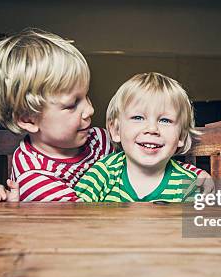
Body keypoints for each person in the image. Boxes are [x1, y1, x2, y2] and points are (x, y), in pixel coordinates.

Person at [0, 29, 210, 202]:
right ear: (29, 119)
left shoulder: (99, 139)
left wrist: (197, 176)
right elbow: (80, 221)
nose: (90, 110)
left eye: (86, 96)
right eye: (72, 104)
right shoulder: (32, 174)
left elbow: (149, 160)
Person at [74, 72, 200, 202]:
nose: (152, 129)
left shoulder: (189, 185)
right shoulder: (102, 174)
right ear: (116, 130)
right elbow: (74, 216)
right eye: (138, 118)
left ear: (181, 136)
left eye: (165, 120)